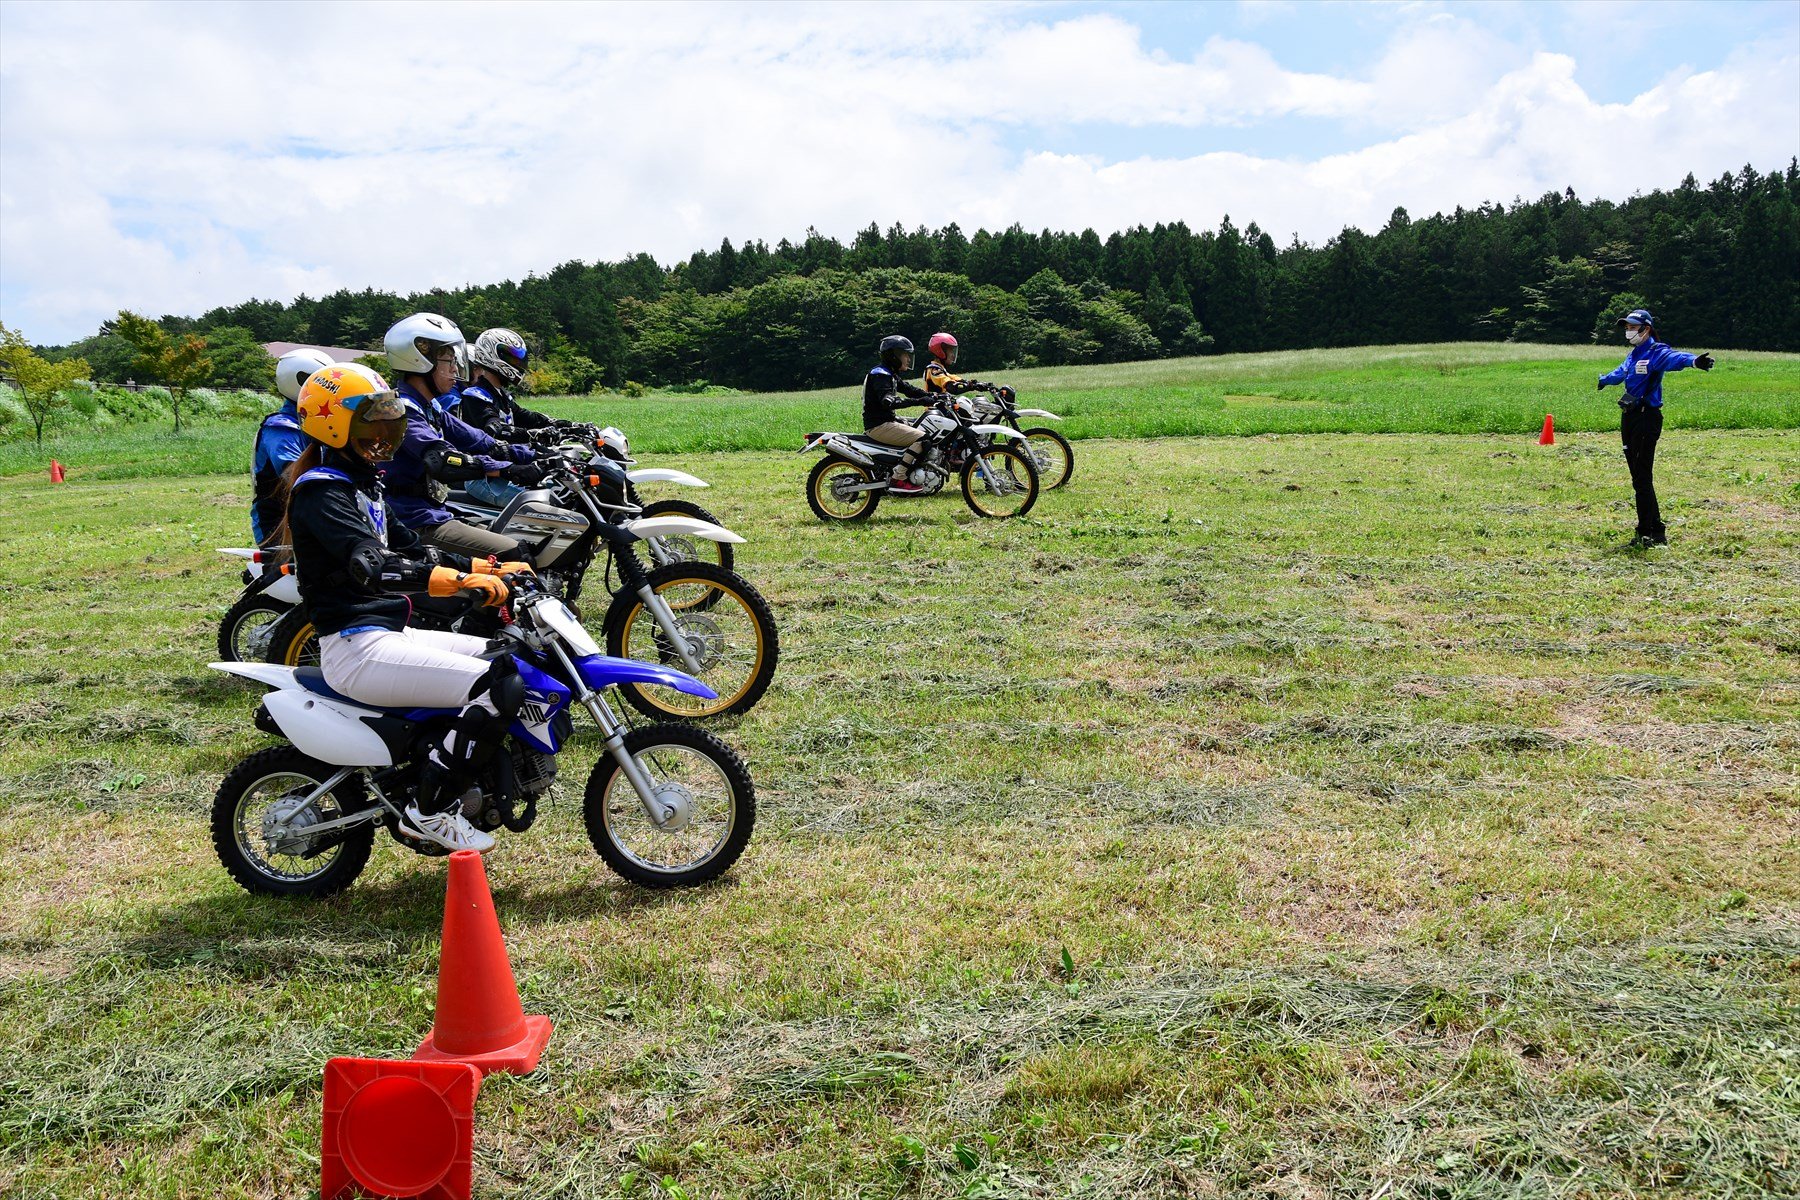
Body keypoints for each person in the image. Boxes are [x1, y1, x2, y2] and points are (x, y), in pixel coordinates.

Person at [275, 362, 535, 853]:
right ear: (334, 426)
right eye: (373, 423)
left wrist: (492, 565)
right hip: (355, 647)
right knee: (496, 685)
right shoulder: (323, 492)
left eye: (390, 423)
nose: (386, 435)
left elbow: (416, 545)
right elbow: (373, 565)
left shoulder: (364, 484)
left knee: (507, 656)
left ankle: (456, 778)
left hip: (388, 634)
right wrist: (462, 581)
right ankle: (429, 810)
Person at [380, 313, 541, 560]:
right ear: (421, 362)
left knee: (520, 534)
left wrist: (538, 455)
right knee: (515, 553)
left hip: (434, 512)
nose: (455, 369)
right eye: (448, 361)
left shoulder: (429, 408)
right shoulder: (403, 413)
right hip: (413, 522)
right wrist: (507, 470)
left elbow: (479, 440)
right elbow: (443, 461)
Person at [1597, 308, 1715, 548]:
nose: (1628, 331)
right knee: (1638, 477)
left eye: (1632, 327)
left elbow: (1675, 358)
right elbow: (1621, 373)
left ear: (1645, 329)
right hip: (1630, 418)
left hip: (1646, 419)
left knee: (1642, 478)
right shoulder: (1634, 354)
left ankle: (1649, 533)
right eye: (1626, 327)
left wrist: (1694, 361)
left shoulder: (1656, 352)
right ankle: (1655, 529)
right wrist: (1604, 379)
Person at [453, 328, 588, 508]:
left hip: (509, 467)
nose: (517, 363)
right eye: (511, 357)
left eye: (519, 358)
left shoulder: (501, 395)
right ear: (492, 356)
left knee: (568, 489)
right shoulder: (475, 396)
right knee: (548, 507)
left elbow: (528, 417)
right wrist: (534, 435)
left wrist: (565, 425)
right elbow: (495, 428)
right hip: (485, 478)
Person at [251, 347, 334, 545]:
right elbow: (296, 477)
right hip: (279, 525)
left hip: (310, 518)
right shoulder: (282, 428)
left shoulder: (315, 424)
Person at [862, 335, 932, 494]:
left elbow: (910, 390)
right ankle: (898, 478)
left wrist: (935, 396)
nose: (908, 359)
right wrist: (921, 401)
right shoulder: (880, 375)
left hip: (887, 421)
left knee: (921, 425)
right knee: (923, 439)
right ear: (893, 355)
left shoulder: (889, 374)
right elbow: (889, 401)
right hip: (879, 425)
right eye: (905, 355)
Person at [920, 332, 991, 397]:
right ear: (940, 351)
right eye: (951, 351)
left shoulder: (940, 369)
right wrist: (970, 386)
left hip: (944, 407)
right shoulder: (934, 370)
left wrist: (973, 383)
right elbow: (951, 387)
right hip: (936, 409)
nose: (953, 355)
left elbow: (953, 378)